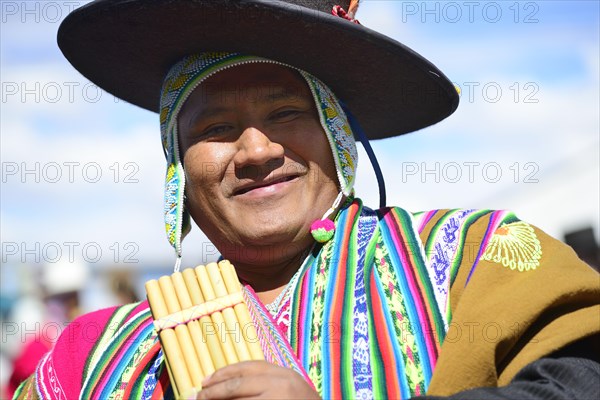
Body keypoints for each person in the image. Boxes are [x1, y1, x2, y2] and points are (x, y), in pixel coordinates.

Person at [15, 1, 599, 399]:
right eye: (214, 128)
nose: (255, 150)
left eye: (287, 113)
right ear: (179, 172)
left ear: (337, 138)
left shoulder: (478, 259)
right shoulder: (88, 358)